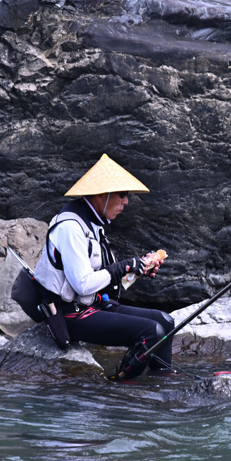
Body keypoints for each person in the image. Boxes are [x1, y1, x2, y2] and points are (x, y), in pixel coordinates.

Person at [33, 154, 174, 381]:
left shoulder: (93, 223)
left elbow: (108, 277)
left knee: (165, 322)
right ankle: (121, 384)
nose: (126, 202)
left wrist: (137, 270)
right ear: (101, 195)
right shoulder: (70, 228)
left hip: (93, 304)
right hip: (70, 314)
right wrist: (124, 266)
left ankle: (163, 380)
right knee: (151, 333)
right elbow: (83, 284)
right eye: (122, 195)